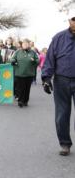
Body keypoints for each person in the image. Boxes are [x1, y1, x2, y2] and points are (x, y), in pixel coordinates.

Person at [41, 15, 75, 156]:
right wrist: (46, 78)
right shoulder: (59, 38)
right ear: (69, 21)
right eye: (73, 20)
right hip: (62, 80)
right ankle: (65, 143)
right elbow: (49, 59)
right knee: (62, 114)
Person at [11, 38, 39, 108]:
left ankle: (25, 101)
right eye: (24, 44)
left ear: (29, 45)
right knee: (20, 88)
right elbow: (12, 58)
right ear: (22, 45)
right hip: (19, 73)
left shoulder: (33, 52)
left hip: (29, 74)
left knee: (27, 88)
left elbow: (37, 61)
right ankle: (20, 101)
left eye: (26, 44)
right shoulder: (18, 52)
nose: (25, 45)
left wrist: (34, 61)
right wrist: (13, 60)